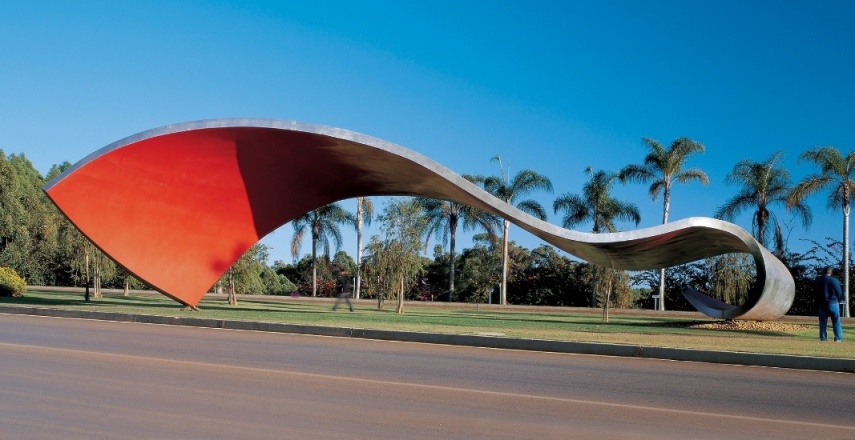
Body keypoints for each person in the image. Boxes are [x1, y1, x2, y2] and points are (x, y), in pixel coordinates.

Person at [815, 266, 844, 342]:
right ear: (831, 272)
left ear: (823, 272)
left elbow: (815, 293)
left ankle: (823, 338)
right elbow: (839, 292)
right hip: (833, 303)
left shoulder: (819, 281)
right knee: (836, 321)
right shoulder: (834, 281)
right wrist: (839, 299)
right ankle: (838, 338)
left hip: (822, 304)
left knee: (823, 322)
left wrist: (818, 301)